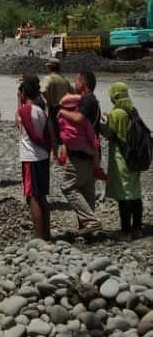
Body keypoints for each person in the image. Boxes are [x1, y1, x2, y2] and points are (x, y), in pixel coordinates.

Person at [59, 71, 103, 234]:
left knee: (69, 188)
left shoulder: (87, 100)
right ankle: (88, 229)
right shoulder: (94, 101)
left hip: (81, 153)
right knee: (86, 190)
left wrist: (62, 112)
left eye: (76, 80)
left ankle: (91, 221)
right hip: (92, 152)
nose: (74, 83)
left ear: (83, 84)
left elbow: (78, 119)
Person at [100, 83, 143, 240]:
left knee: (124, 195)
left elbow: (110, 134)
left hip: (121, 159)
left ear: (115, 96)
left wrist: (100, 123)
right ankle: (137, 229)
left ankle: (125, 231)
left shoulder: (117, 112)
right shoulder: (132, 110)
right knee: (135, 193)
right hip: (135, 158)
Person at [16, 75, 51, 241]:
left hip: (31, 156)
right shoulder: (40, 111)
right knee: (41, 195)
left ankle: (38, 235)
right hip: (42, 157)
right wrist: (49, 148)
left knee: (34, 196)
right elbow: (46, 134)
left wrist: (44, 146)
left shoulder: (25, 110)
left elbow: (33, 135)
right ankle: (46, 232)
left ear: (24, 92)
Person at [58, 94, 107, 180]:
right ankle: (97, 170)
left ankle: (63, 157)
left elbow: (60, 128)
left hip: (68, 141)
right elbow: (90, 132)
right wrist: (94, 142)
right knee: (95, 152)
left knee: (64, 144)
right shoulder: (83, 120)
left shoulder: (62, 118)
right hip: (81, 144)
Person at [41, 58, 72, 158]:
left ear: (49, 67)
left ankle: (54, 155)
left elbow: (43, 91)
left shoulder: (49, 78)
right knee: (63, 131)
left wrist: (49, 101)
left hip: (53, 108)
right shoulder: (64, 79)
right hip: (64, 109)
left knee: (52, 131)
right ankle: (64, 154)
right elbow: (72, 92)